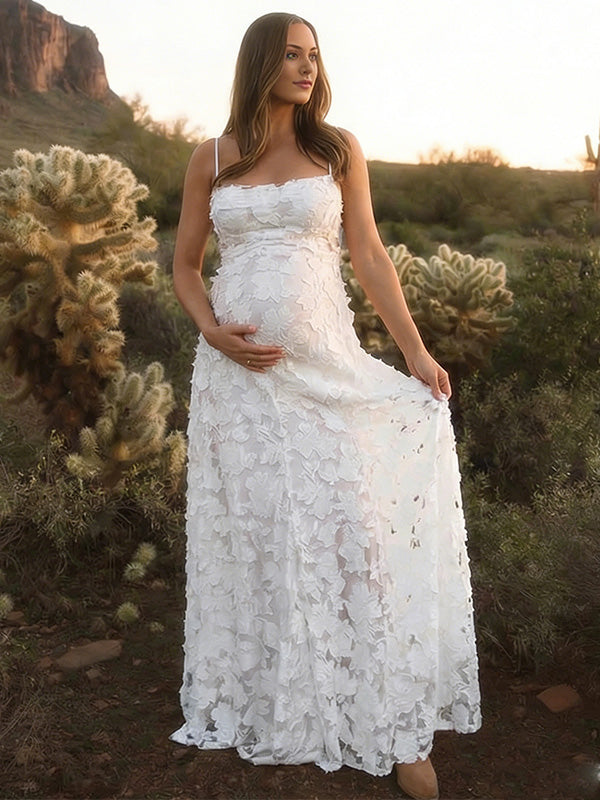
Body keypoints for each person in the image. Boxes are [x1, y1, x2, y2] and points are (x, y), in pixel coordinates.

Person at [169, 12, 481, 799]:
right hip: (241, 383)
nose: (307, 68)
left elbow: (370, 254)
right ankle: (277, 697)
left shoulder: (335, 149)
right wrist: (213, 334)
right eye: (292, 55)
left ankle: (394, 721)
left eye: (315, 56)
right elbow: (183, 265)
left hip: (328, 371)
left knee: (356, 533)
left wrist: (413, 350)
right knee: (264, 531)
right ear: (260, 63)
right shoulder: (209, 156)